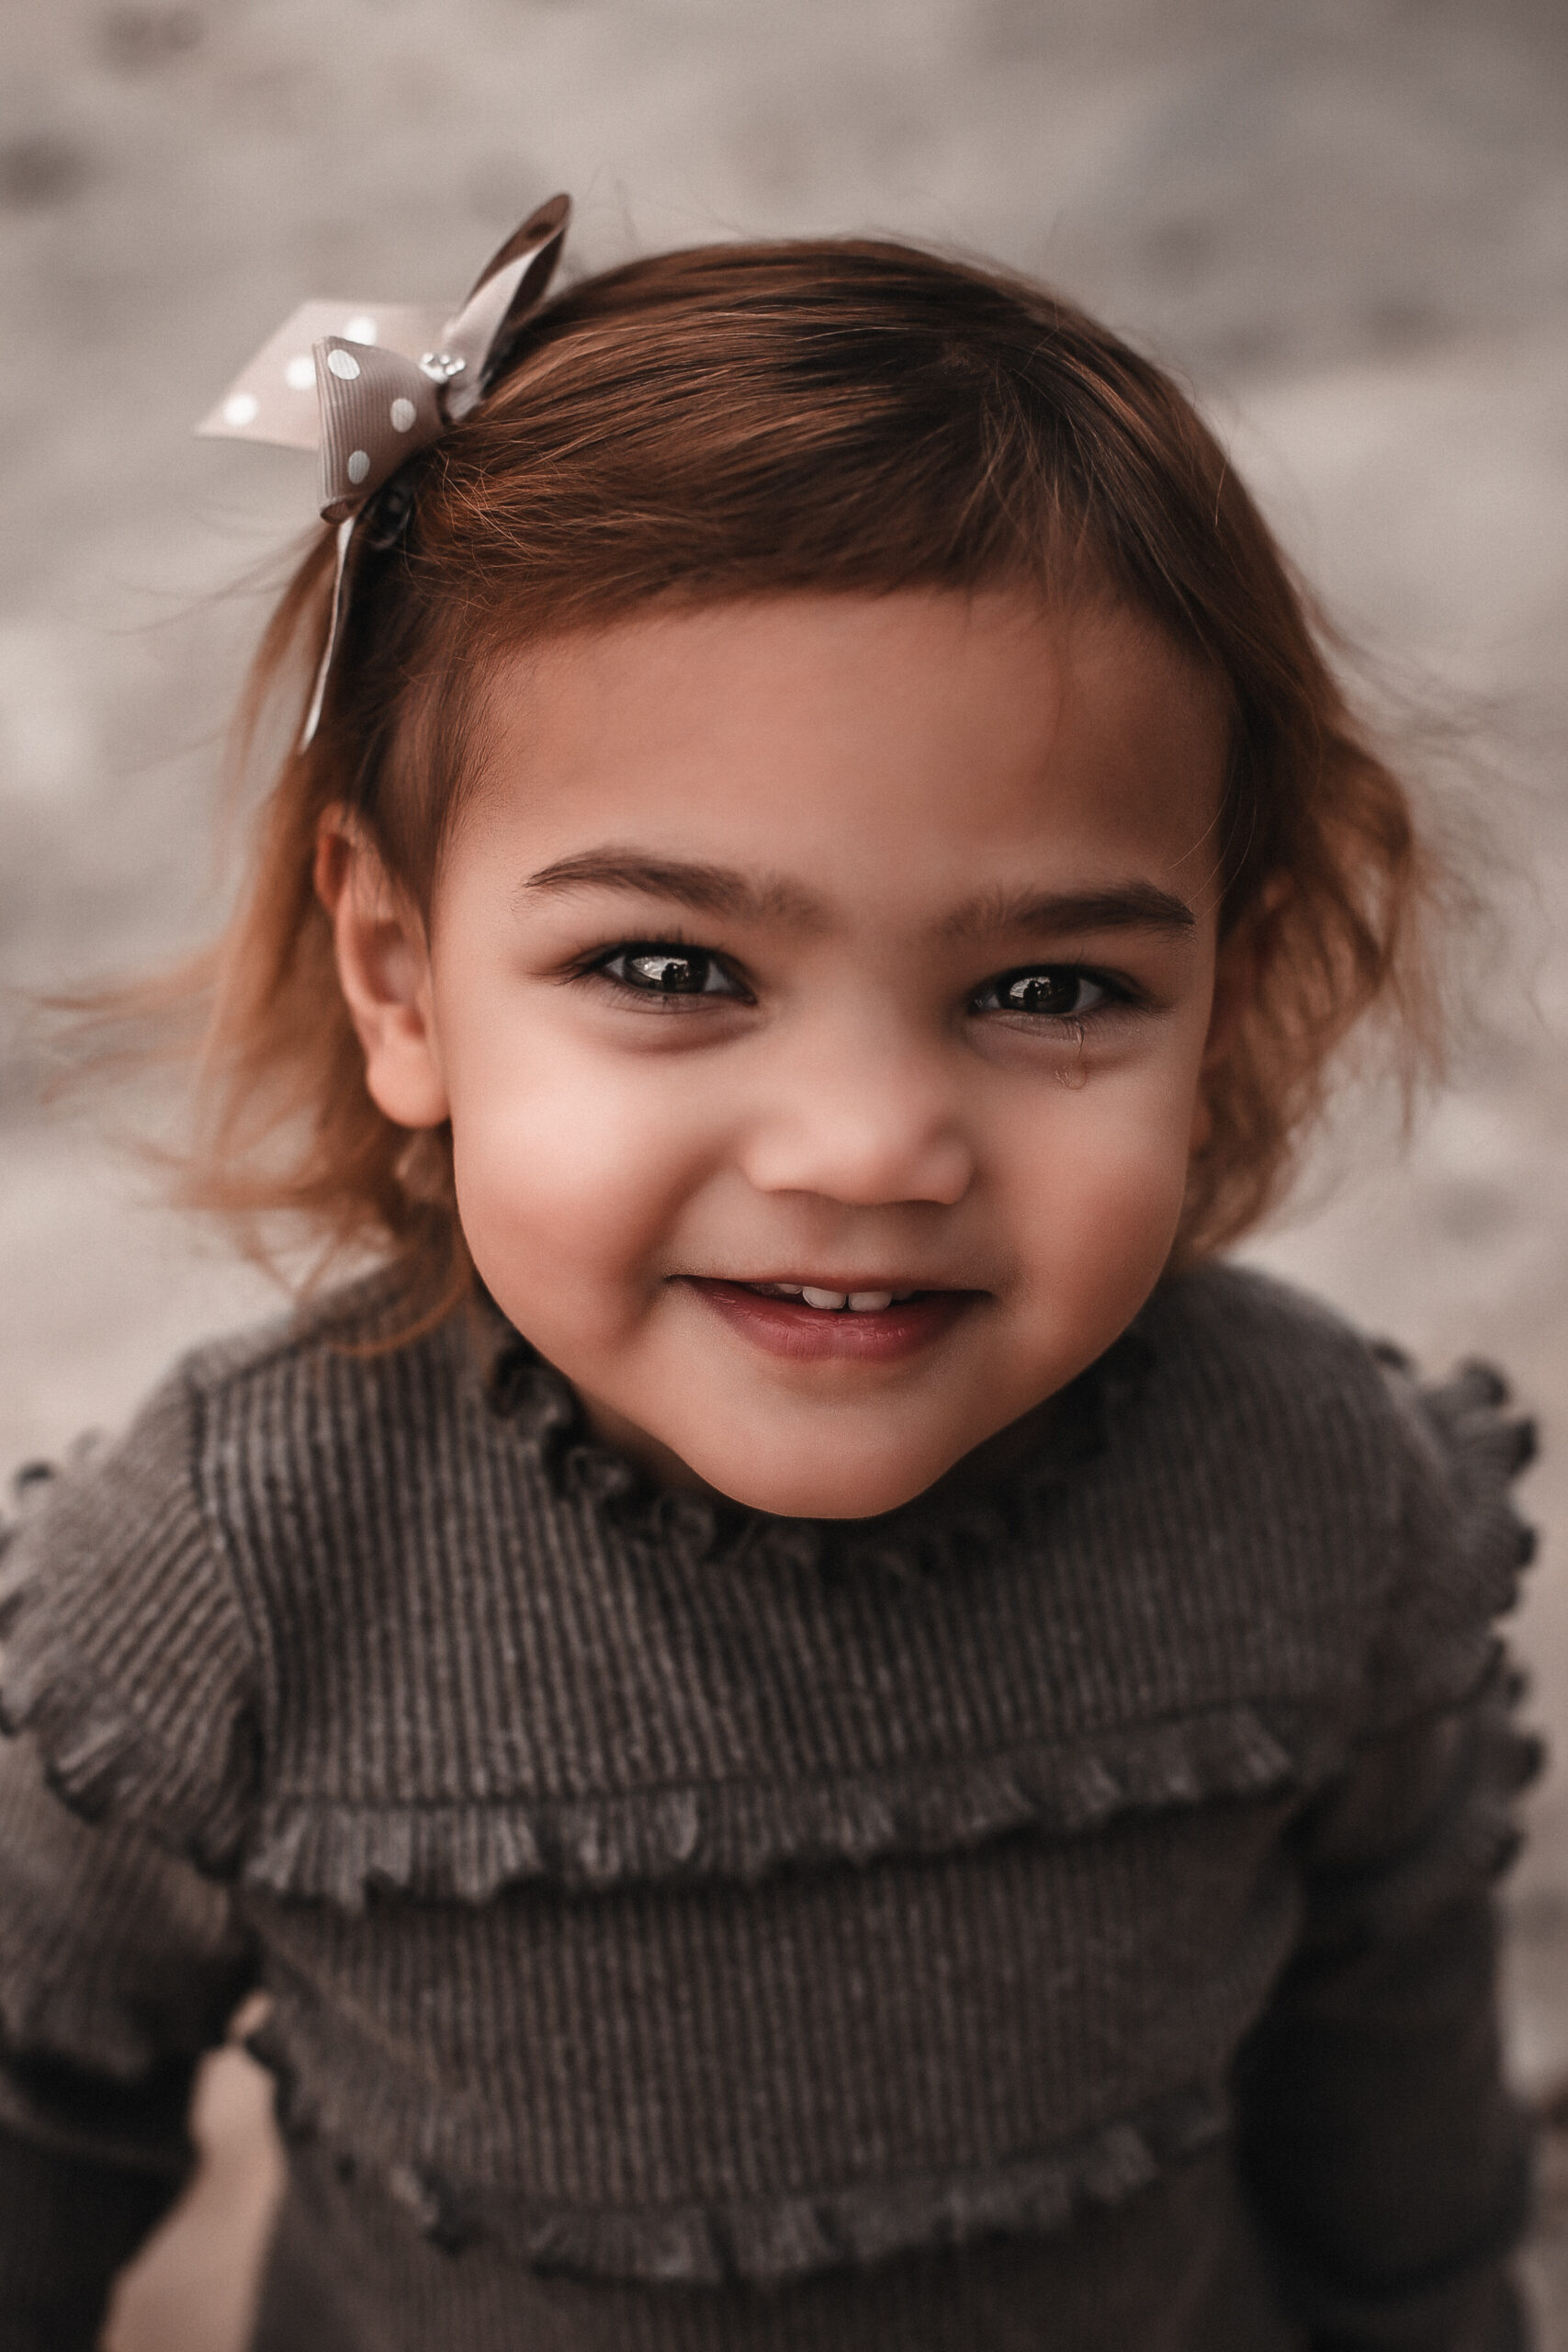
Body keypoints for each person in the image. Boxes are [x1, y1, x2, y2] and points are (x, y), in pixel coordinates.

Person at [0, 202, 1541, 2352]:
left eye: (1042, 982)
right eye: (669, 966)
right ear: (399, 971)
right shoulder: (242, 1568)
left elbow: (1394, 2099)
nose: (865, 1145)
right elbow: (33, 2120)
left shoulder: (1311, 1487)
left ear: (1225, 985)